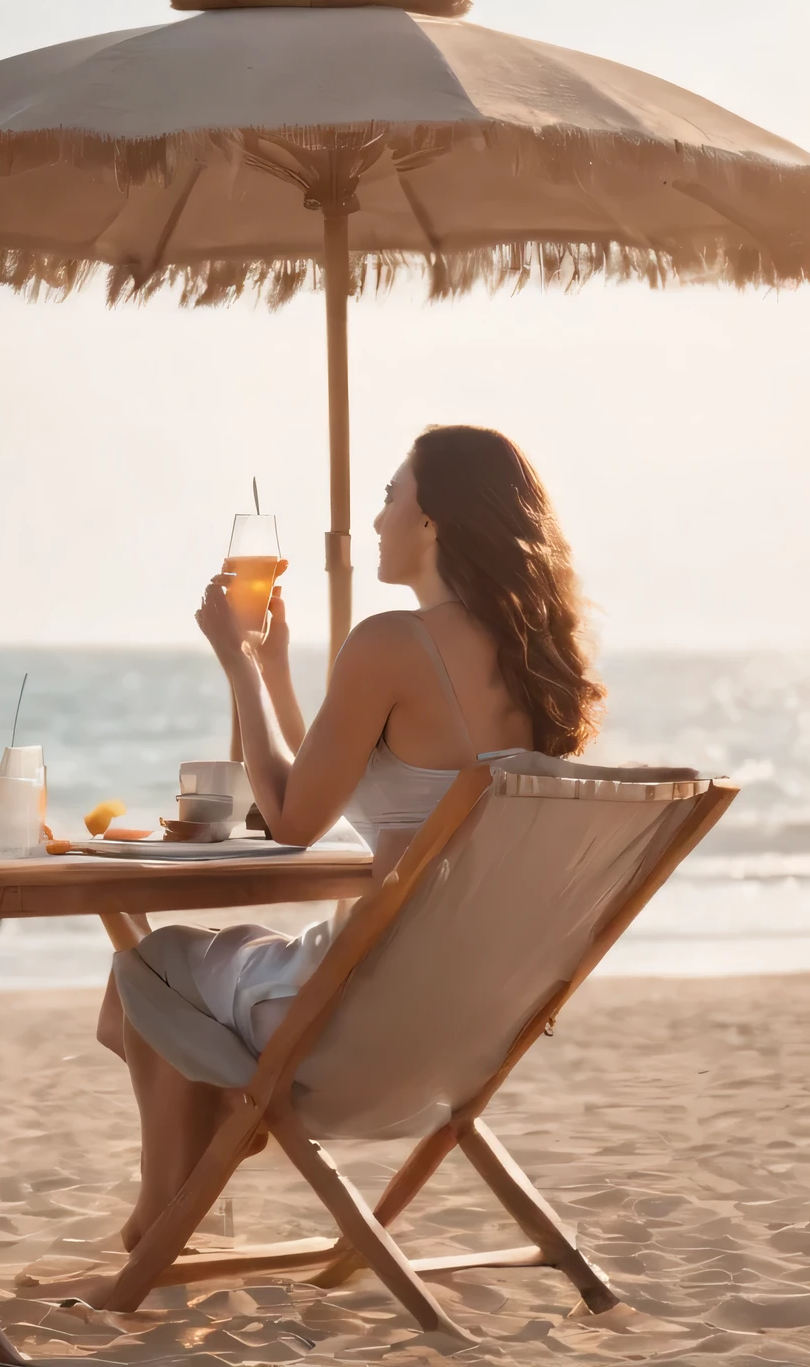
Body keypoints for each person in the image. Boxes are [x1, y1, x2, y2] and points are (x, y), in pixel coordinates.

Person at [95, 424, 606, 1250]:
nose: (376, 522)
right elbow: (333, 792)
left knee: (143, 973)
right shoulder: (534, 665)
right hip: (462, 1031)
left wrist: (238, 667)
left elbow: (294, 822)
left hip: (350, 1030)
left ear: (433, 519)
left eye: (390, 497)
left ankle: (159, 1224)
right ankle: (195, 1164)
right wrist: (278, 670)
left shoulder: (393, 643)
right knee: (173, 994)